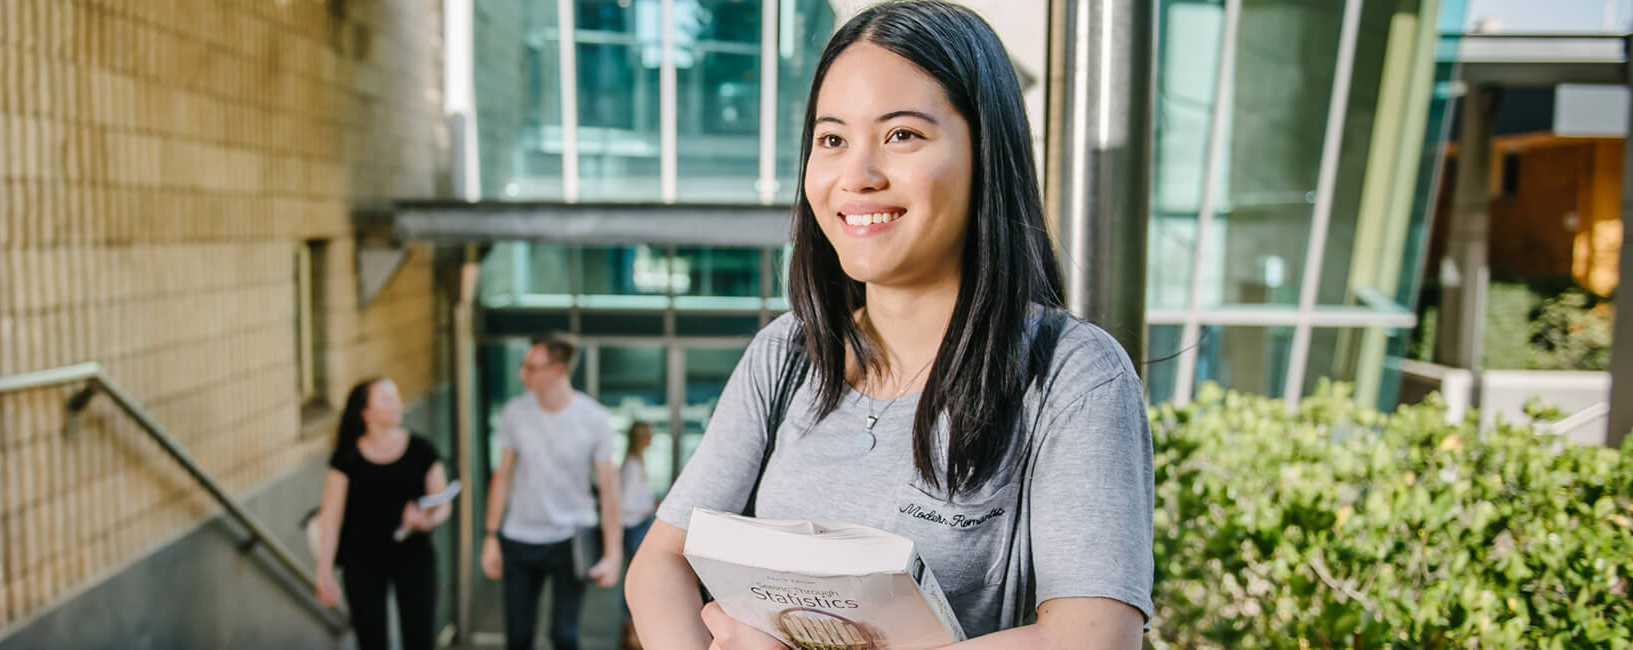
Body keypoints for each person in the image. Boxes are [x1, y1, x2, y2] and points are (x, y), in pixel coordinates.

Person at [624, 2, 1155, 649]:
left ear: (987, 151)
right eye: (832, 139)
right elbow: (659, 563)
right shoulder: (787, 354)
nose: (859, 176)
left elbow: (1092, 640)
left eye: (902, 135)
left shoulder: (1073, 374)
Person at [481, 335, 623, 650]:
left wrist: (613, 554)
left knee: (565, 635)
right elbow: (502, 475)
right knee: (518, 637)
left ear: (558, 371)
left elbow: (610, 490)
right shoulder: (515, 413)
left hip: (570, 539)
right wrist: (491, 536)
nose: (522, 375)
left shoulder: (594, 419)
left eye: (531, 368)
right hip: (520, 538)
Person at [312, 378, 450, 650]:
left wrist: (428, 520)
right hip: (362, 562)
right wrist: (324, 570)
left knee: (420, 639)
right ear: (365, 412)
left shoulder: (421, 450)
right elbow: (331, 517)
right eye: (386, 398)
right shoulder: (347, 459)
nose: (396, 403)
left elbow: (444, 502)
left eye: (396, 396)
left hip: (414, 558)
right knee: (371, 640)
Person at [616, 421, 658, 649]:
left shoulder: (636, 463)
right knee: (635, 580)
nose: (652, 438)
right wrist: (649, 506)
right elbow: (626, 503)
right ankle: (631, 632)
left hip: (637, 526)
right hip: (634, 528)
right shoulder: (632, 467)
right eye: (649, 434)